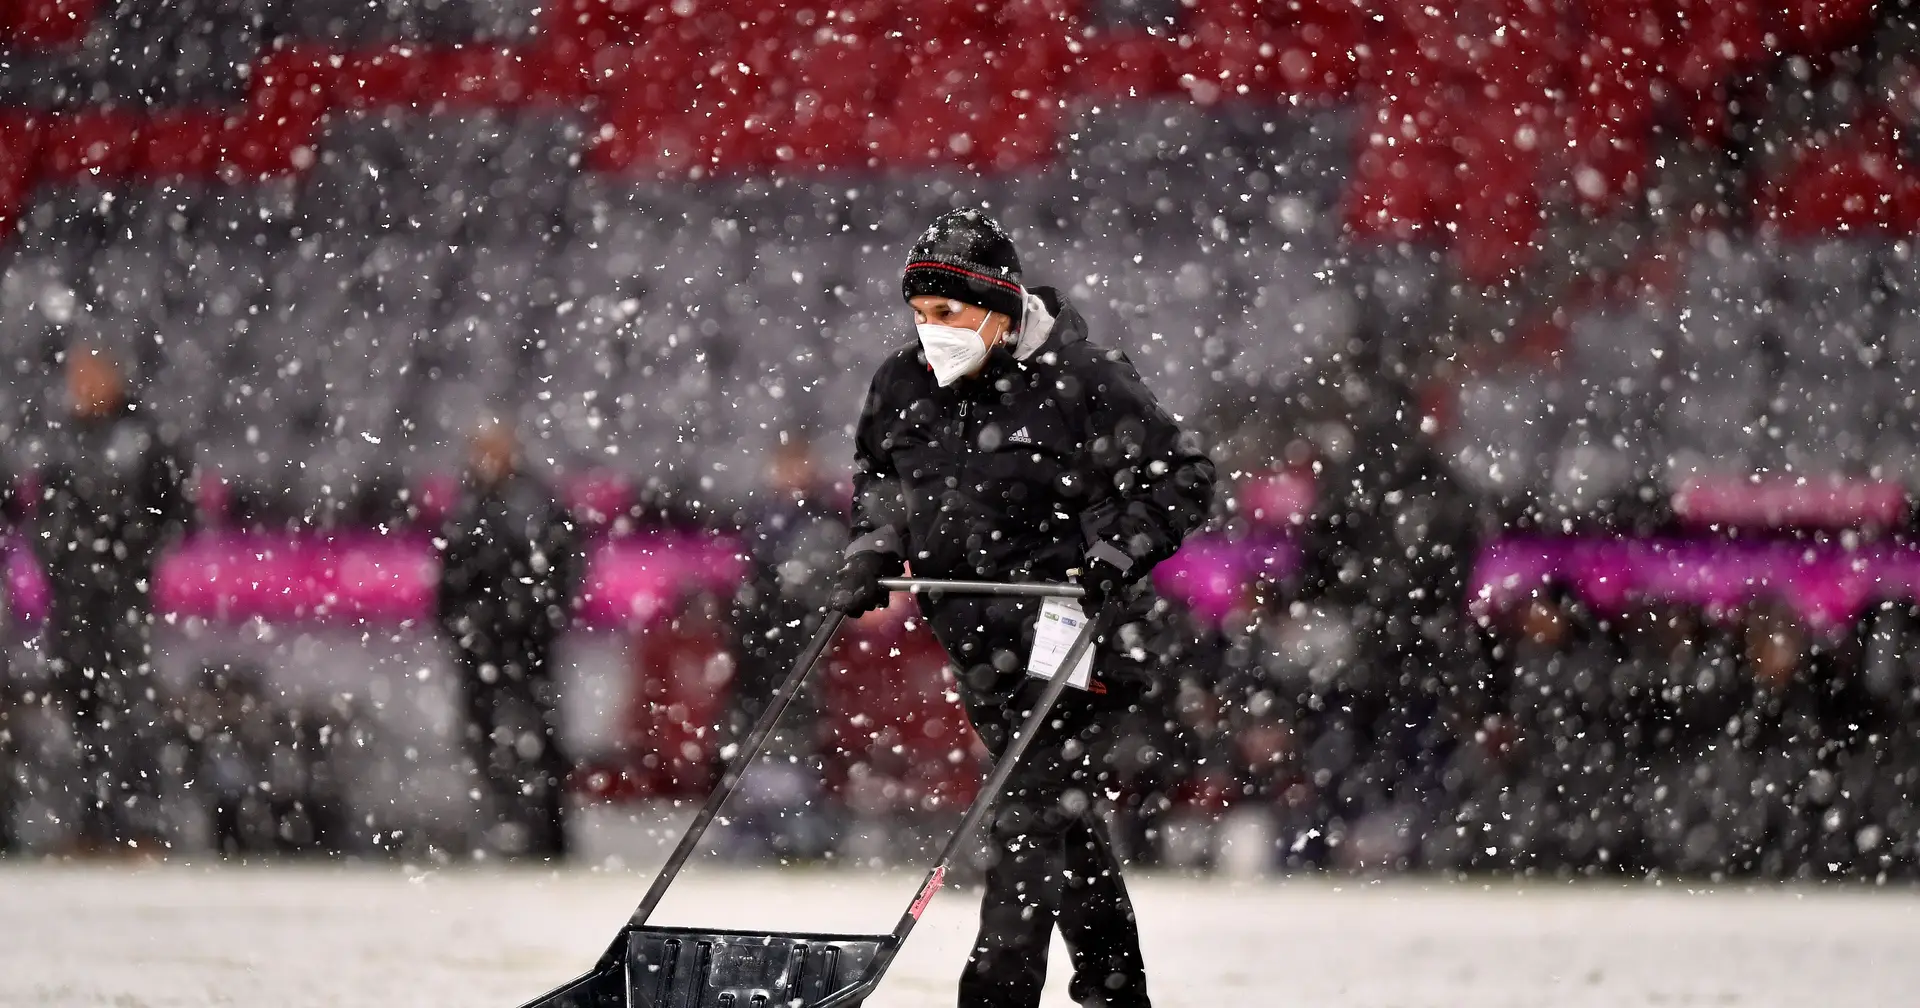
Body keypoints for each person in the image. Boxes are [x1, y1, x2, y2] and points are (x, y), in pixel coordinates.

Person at [826, 209, 1215, 1008]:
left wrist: (1112, 556)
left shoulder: (1086, 381)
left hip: (1079, 636)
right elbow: (882, 478)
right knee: (1056, 818)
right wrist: (873, 547)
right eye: (919, 314)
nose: (929, 332)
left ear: (1002, 310)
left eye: (948, 313)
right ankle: (1115, 989)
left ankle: (995, 996)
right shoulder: (901, 383)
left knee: (1027, 819)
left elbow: (1182, 478)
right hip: (979, 641)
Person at [30, 344, 191, 852]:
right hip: (72, 600)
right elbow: (46, 513)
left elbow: (173, 511)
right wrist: (57, 559)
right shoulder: (66, 440)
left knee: (128, 712)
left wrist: (126, 556)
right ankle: (89, 823)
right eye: (76, 373)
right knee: (79, 710)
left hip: (119, 598)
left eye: (90, 372)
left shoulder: (143, 438)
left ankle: (140, 825)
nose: (81, 383)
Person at [435, 422, 582, 860]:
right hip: (481, 645)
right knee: (485, 740)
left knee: (538, 739)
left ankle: (546, 838)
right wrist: (459, 621)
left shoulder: (533, 504)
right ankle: (502, 827)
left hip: (524, 644)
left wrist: (530, 615)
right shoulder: (468, 504)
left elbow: (561, 567)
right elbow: (450, 573)